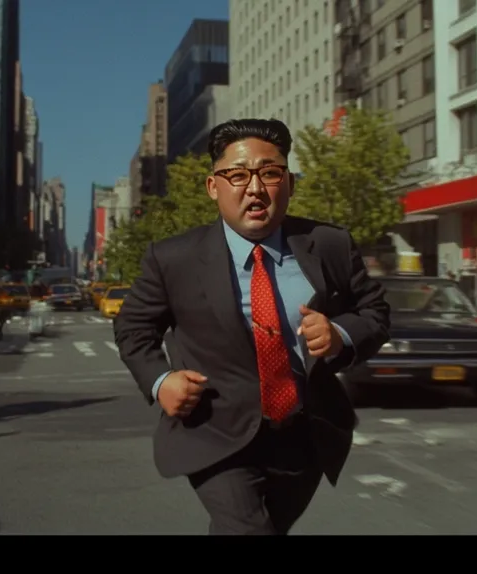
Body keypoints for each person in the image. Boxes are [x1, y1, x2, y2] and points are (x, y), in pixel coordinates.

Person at [113, 118, 390, 535]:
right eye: (238, 175)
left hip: (303, 436)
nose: (255, 188)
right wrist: (160, 380)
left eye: (270, 173)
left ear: (290, 183)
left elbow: (374, 311)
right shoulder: (174, 259)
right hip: (214, 431)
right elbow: (133, 328)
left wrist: (340, 335)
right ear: (213, 187)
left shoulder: (329, 245)